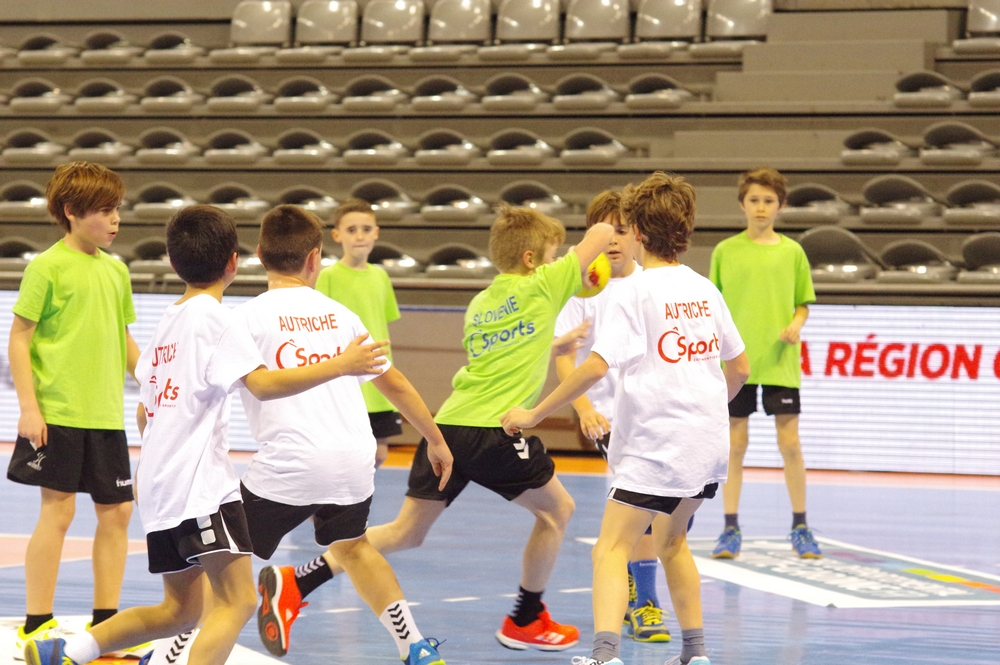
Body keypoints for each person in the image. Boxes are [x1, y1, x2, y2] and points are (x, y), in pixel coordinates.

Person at [24, 205, 389, 665]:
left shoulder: (167, 323)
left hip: (157, 487)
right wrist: (341, 365)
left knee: (179, 611)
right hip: (199, 489)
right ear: (234, 262)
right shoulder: (218, 320)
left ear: (173, 262)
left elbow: (144, 412)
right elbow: (263, 385)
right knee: (238, 601)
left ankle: (65, 651)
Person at [260, 204, 614, 652]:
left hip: (449, 427)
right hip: (494, 430)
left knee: (407, 532)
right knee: (558, 511)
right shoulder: (546, 283)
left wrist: (554, 341)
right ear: (531, 259)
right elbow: (599, 236)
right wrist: (610, 223)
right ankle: (525, 618)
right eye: (552, 253)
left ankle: (297, 581)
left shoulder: (482, 303)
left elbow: (508, 348)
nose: (557, 260)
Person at [501, 171, 750, 665]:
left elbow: (596, 365)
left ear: (636, 231)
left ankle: (605, 656)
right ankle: (696, 654)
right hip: (706, 446)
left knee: (611, 548)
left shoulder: (636, 292)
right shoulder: (704, 288)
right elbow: (740, 367)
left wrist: (535, 412)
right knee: (673, 542)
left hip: (655, 445)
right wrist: (703, 412)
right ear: (686, 229)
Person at [232, 205, 452, 665]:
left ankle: (175, 647)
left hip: (290, 466)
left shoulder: (245, 318)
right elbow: (394, 382)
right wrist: (435, 439)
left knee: (215, 554)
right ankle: (414, 647)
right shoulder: (341, 315)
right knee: (354, 548)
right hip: (354, 462)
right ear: (316, 258)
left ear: (259, 255)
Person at [7, 162, 140, 655]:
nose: (115, 220)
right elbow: (19, 339)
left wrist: (154, 385)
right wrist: (29, 407)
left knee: (118, 513)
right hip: (58, 413)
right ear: (71, 212)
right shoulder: (47, 267)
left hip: (105, 416)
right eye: (104, 211)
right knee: (58, 512)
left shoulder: (117, 270)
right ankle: (36, 623)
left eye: (117, 209)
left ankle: (106, 625)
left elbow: (123, 338)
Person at [554, 191, 670, 644]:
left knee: (646, 513)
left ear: (638, 234)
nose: (614, 241)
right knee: (642, 509)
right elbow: (566, 355)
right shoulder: (583, 287)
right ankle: (645, 603)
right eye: (604, 232)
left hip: (650, 412)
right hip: (606, 416)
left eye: (622, 231)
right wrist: (583, 408)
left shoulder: (653, 283)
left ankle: (629, 582)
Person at [708, 167, 821, 560]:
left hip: (780, 363)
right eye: (754, 200)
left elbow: (803, 304)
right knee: (735, 446)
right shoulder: (725, 251)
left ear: (781, 205)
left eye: (768, 201)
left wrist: (795, 324)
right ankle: (730, 528)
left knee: (790, 444)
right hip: (737, 363)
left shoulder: (793, 252)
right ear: (742, 204)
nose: (761, 207)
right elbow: (714, 308)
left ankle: (801, 526)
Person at [315, 198, 401, 468]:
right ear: (337, 235)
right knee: (346, 454)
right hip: (345, 379)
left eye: (366, 229)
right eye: (351, 230)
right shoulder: (327, 277)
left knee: (379, 453)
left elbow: (382, 322)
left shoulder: (381, 277)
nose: (360, 236)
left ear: (376, 232)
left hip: (378, 378)